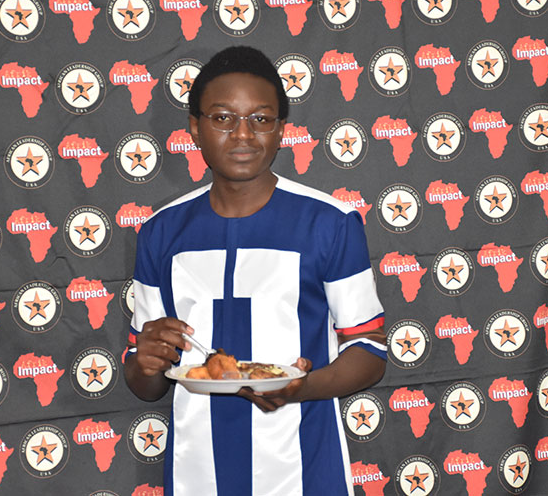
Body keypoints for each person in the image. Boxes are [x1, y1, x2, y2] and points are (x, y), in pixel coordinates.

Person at [124, 45, 386, 496]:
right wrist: (144, 360)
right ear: (195, 128)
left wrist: (300, 387)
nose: (243, 134)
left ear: (281, 129)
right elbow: (145, 382)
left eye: (261, 119)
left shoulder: (330, 223)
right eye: (223, 118)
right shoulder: (161, 232)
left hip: (304, 470)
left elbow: (370, 350)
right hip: (196, 475)